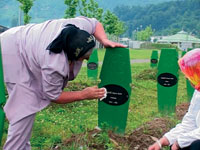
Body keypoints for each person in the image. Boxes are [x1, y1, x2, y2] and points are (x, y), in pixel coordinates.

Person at [0, 16, 126, 150]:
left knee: (28, 103)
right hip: (12, 52)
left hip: (24, 41)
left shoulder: (78, 27)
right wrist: (83, 94)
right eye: (84, 58)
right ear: (71, 56)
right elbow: (53, 95)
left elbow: (95, 24)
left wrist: (104, 40)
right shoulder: (53, 64)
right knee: (25, 105)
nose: (89, 60)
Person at [148, 48, 200, 150]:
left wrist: (179, 142)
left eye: (190, 72)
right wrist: (164, 140)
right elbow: (190, 121)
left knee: (195, 146)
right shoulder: (198, 92)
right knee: (178, 142)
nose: (186, 77)